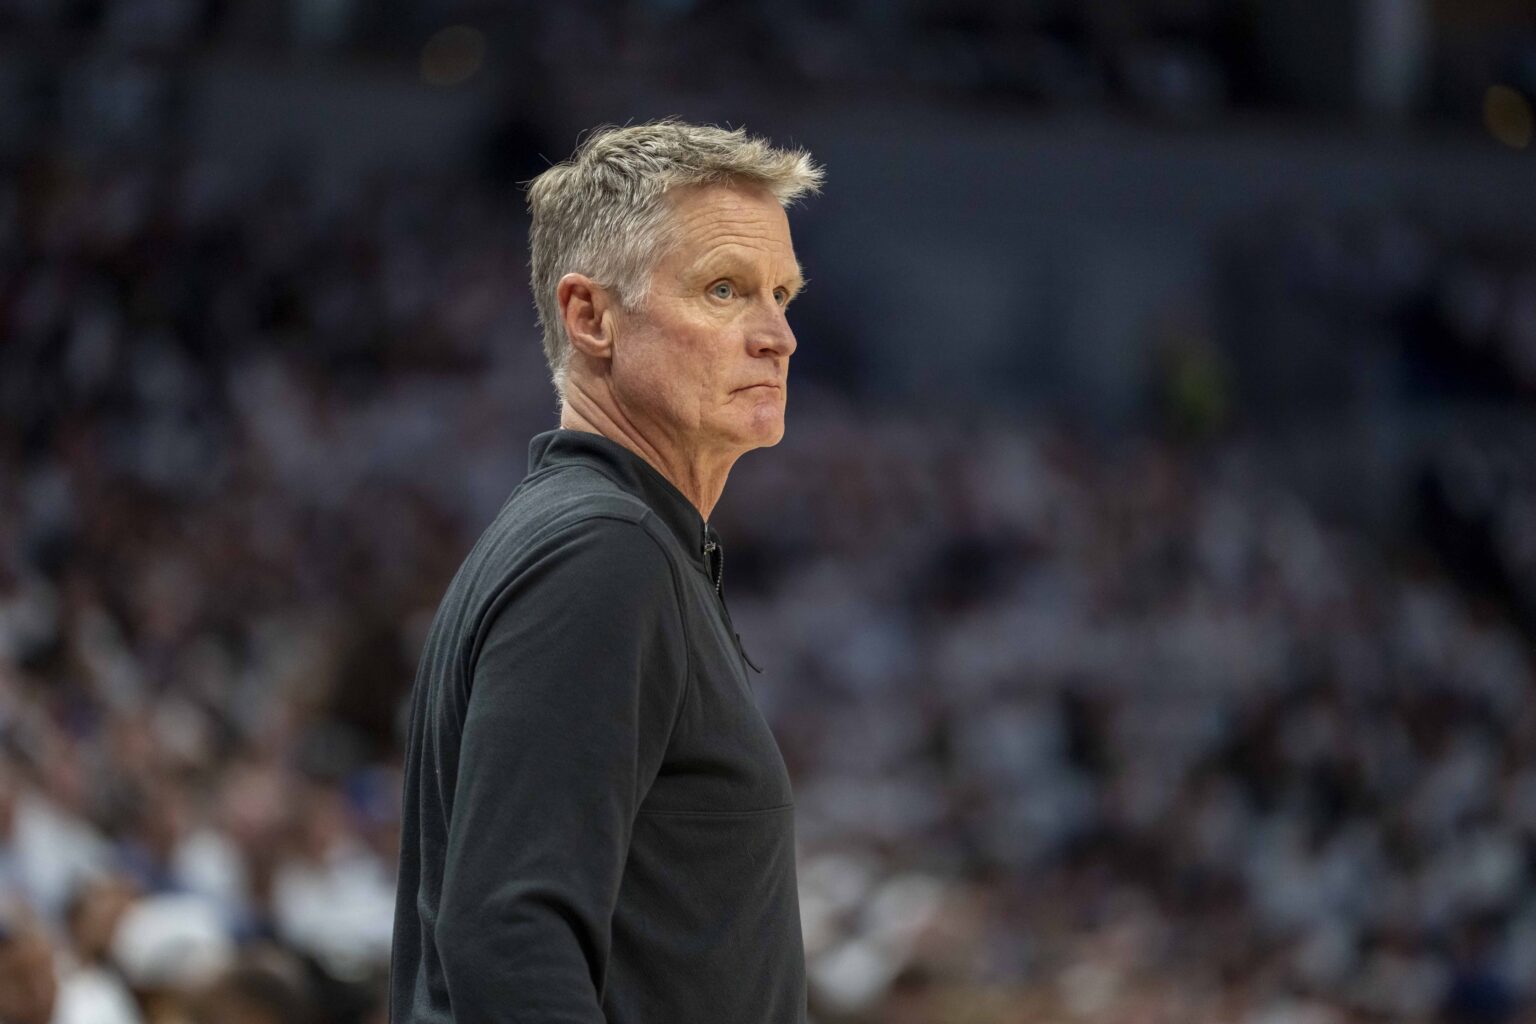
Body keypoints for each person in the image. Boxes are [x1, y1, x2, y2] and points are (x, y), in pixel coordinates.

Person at [388, 119, 824, 1023]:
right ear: (591, 317)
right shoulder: (602, 554)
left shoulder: (607, 539)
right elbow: (511, 934)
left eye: (782, 295)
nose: (777, 335)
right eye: (724, 290)